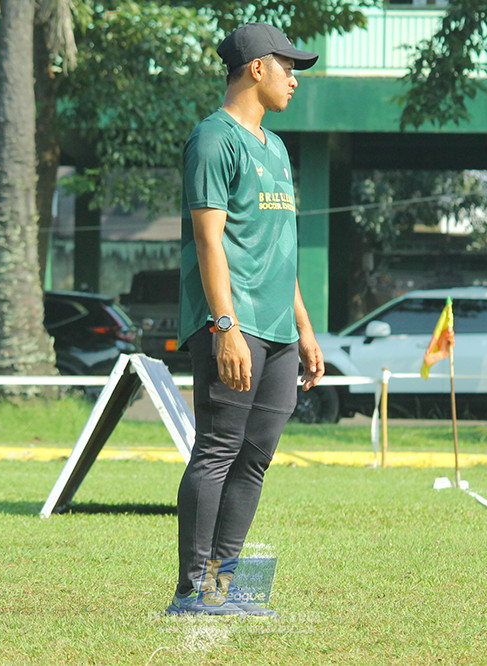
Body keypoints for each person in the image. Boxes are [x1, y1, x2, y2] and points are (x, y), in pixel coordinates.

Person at [166, 22, 325, 618]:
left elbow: (281, 245)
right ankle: (189, 591)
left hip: (281, 329)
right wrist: (224, 324)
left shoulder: (277, 148)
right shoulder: (212, 140)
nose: (295, 80)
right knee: (217, 449)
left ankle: (222, 587)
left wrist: (305, 325)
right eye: (289, 67)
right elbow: (209, 244)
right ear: (257, 67)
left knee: (255, 456)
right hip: (234, 325)